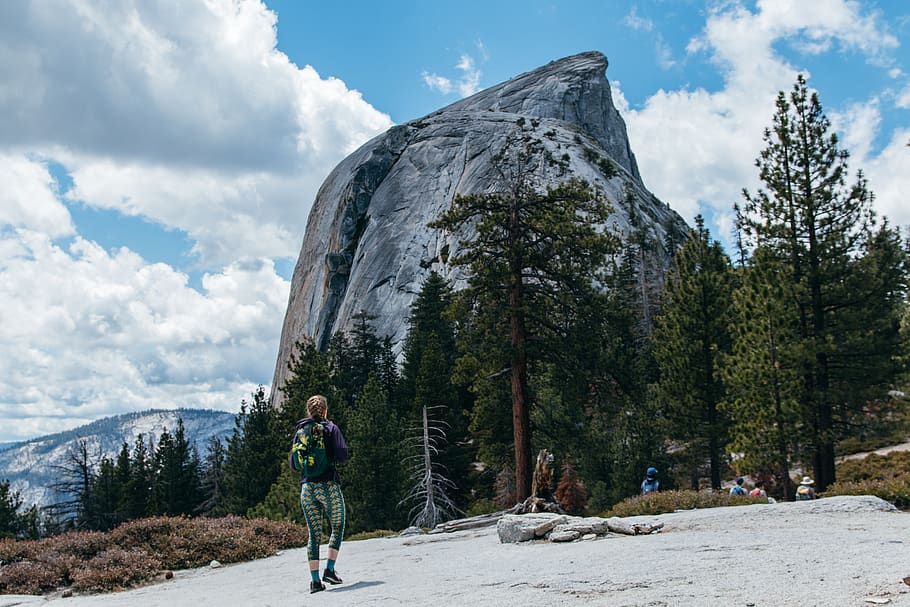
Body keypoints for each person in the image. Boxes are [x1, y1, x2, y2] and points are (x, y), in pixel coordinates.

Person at [295, 394, 350, 594]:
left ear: (309, 411)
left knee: (314, 535)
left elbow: (294, 463)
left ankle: (315, 582)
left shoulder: (301, 430)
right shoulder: (330, 429)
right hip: (328, 486)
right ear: (325, 410)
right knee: (338, 524)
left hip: (307, 488)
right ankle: (330, 569)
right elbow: (343, 454)